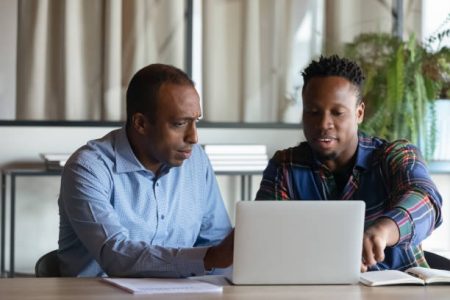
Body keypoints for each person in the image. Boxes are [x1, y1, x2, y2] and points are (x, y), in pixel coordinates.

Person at [255, 55, 443, 272]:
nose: (324, 124)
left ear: (359, 113)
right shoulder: (285, 166)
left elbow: (426, 201)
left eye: (337, 113)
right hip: (317, 290)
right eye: (313, 112)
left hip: (399, 290)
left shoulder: (395, 155)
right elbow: (265, 238)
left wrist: (383, 231)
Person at [58, 64, 234, 277]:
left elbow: (217, 243)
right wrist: (210, 258)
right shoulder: (88, 168)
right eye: (179, 123)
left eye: (195, 121)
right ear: (141, 123)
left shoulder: (196, 161)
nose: (193, 137)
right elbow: (116, 256)